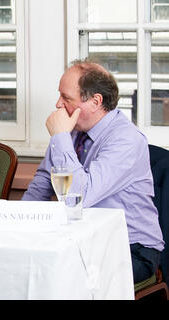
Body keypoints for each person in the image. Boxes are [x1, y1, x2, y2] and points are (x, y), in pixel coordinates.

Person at [22, 60, 165, 284]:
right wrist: (18, 227)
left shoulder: (126, 140)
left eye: (66, 98)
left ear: (95, 101)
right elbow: (42, 185)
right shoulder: (70, 130)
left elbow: (78, 197)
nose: (58, 105)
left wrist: (59, 138)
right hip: (79, 239)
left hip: (130, 248)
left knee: (63, 281)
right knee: (24, 269)